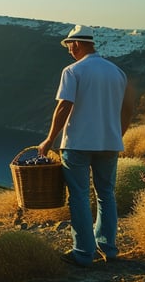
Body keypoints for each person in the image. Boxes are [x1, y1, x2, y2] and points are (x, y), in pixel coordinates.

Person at [38, 24, 135, 268]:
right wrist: (116, 135)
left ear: (77, 44)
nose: (68, 50)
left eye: (69, 46)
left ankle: (83, 253)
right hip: (109, 144)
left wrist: (49, 139)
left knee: (79, 196)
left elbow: (64, 106)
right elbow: (128, 109)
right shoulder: (117, 72)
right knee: (106, 195)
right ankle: (108, 248)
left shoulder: (73, 71)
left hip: (78, 144)